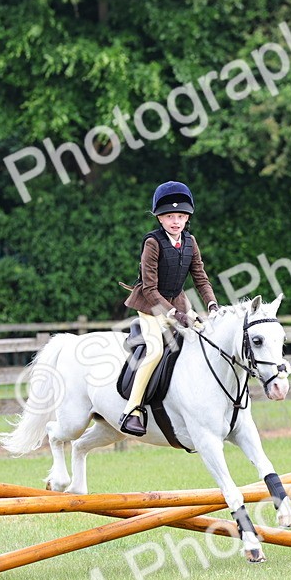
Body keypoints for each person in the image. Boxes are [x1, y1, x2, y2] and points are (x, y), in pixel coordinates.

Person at [119, 181, 219, 436]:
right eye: (169, 216)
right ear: (160, 218)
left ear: (187, 218)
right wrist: (174, 314)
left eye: (181, 216)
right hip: (151, 307)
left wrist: (212, 304)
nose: (176, 221)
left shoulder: (190, 242)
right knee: (154, 352)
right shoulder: (152, 243)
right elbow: (151, 290)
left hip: (180, 303)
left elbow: (200, 277)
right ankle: (133, 409)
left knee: (205, 339)